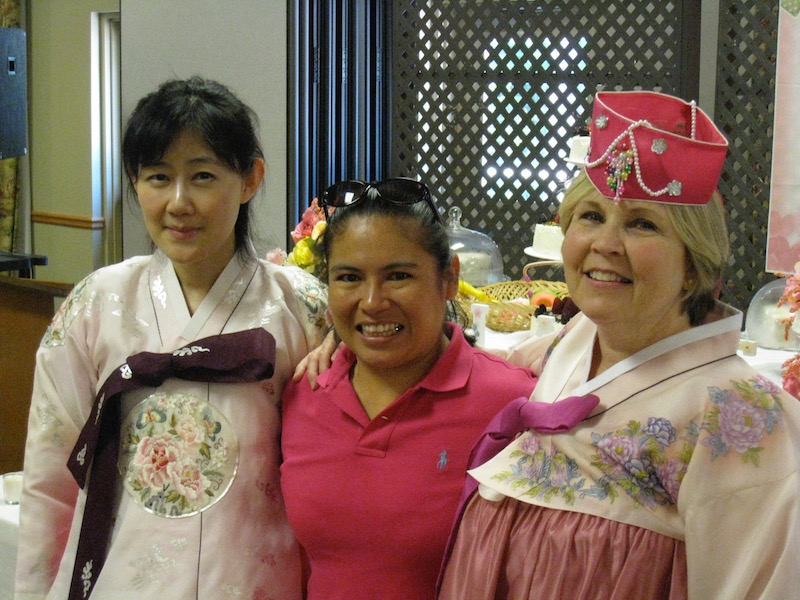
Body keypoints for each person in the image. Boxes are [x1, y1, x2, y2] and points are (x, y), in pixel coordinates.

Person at [437, 90, 800, 599]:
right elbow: (490, 363)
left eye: (642, 223)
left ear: (694, 263)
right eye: (590, 216)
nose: (604, 244)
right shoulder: (576, 340)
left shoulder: (742, 415)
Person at [14, 76, 327, 600]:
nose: (178, 202)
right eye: (158, 177)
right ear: (135, 182)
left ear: (250, 180)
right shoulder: (97, 304)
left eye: (202, 176)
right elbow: (49, 480)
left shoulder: (304, 307)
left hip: (257, 582)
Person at [279, 178, 538, 599]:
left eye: (398, 276)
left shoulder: (513, 404)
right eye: (348, 277)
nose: (372, 301)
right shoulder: (302, 394)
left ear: (449, 278)